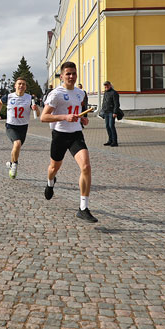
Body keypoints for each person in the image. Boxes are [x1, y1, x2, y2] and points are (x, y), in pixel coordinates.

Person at [40, 61, 98, 223]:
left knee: (86, 166)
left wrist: (82, 119)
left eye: (73, 73)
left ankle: (83, 208)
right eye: (68, 74)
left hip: (75, 135)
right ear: (62, 76)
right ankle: (50, 183)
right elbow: (43, 117)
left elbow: (76, 112)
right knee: (53, 168)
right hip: (59, 135)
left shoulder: (80, 93)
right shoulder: (56, 94)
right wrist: (64, 117)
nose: (71, 77)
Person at [0, 78, 40, 179]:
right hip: (11, 126)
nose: (21, 86)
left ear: (25, 87)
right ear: (15, 86)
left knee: (17, 147)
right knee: (17, 143)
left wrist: (36, 109)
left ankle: (11, 163)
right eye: (19, 84)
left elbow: (38, 114)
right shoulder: (9, 96)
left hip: (23, 127)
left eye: (23, 84)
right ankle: (15, 165)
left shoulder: (29, 98)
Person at [100, 81, 122, 147]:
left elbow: (116, 104)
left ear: (110, 85)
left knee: (111, 126)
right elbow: (104, 102)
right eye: (105, 86)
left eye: (107, 86)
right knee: (107, 126)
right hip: (106, 112)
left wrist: (115, 112)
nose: (106, 87)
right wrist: (102, 110)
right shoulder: (105, 93)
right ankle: (110, 140)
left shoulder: (114, 93)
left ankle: (115, 142)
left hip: (111, 112)